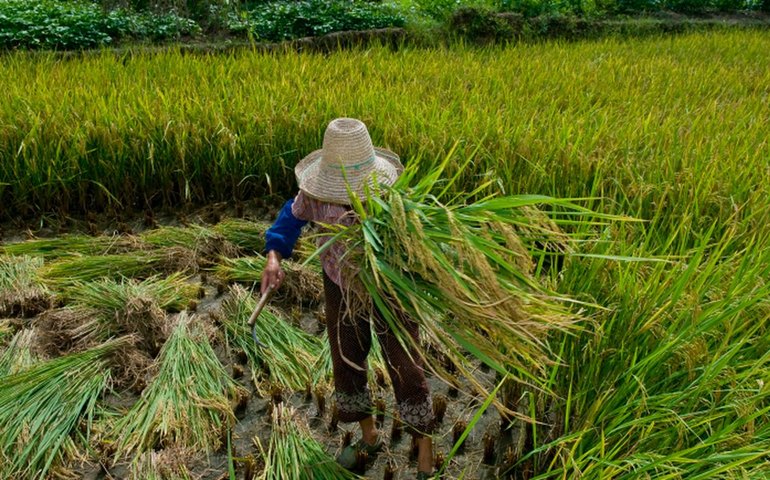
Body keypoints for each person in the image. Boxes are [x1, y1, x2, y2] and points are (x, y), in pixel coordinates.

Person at [261, 118, 434, 479]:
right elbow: (288, 220)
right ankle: (368, 435)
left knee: (405, 362)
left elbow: (417, 239)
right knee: (346, 355)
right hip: (339, 284)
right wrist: (274, 257)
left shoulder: (388, 196)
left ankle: (425, 450)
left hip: (388, 284)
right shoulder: (314, 196)